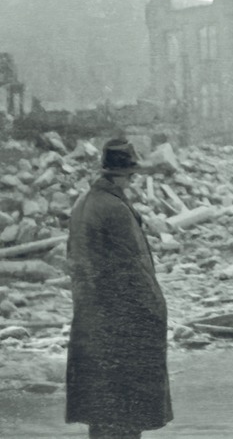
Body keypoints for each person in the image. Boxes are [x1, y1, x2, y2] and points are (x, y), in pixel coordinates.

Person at [66, 137, 173, 439]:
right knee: (127, 414)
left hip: (91, 324)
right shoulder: (115, 208)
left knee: (101, 418)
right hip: (122, 329)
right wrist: (156, 314)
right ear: (128, 174)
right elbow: (137, 271)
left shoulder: (83, 204)